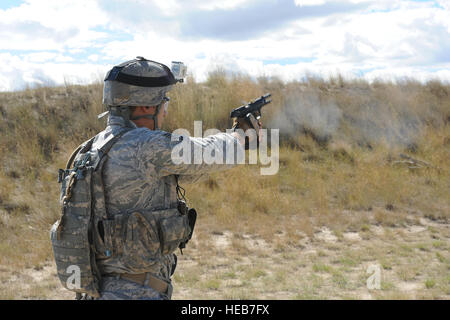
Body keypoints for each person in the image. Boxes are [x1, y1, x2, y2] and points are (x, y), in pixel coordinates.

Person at [89, 57, 261, 300]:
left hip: (101, 288)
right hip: (135, 292)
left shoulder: (93, 147)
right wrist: (240, 136)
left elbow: (184, 171)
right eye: (164, 100)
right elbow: (204, 153)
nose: (166, 108)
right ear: (147, 107)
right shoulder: (144, 145)